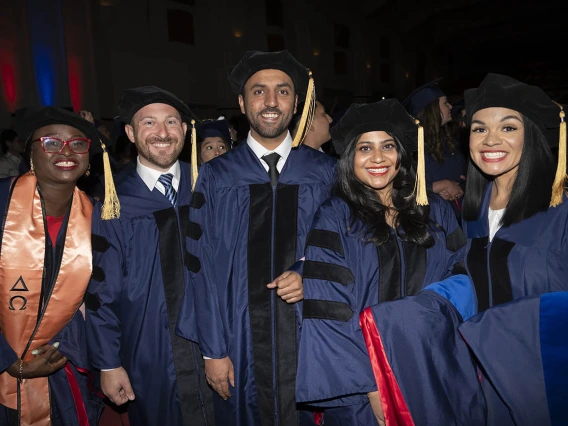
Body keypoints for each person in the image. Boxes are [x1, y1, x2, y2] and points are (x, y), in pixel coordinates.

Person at [176, 50, 337, 426]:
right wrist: (212, 350)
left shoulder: (326, 172)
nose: (270, 102)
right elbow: (200, 266)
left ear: (297, 103)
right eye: (258, 91)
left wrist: (307, 271)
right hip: (238, 338)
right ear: (241, 102)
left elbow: (346, 247)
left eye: (282, 92)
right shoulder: (217, 176)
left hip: (310, 332)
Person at [294, 99, 475, 425]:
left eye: (387, 146)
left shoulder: (434, 210)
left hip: (430, 367)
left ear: (401, 155)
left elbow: (462, 278)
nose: (377, 158)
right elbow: (328, 308)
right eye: (365, 148)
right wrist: (372, 387)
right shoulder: (335, 217)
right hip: (364, 387)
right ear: (351, 158)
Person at [84, 86, 214, 426]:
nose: (162, 133)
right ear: (130, 132)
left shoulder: (211, 186)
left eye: (172, 122)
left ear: (185, 131)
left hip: (216, 346)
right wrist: (109, 363)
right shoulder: (115, 201)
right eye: (149, 123)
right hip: (149, 352)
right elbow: (102, 290)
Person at [460, 73, 568, 425]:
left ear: (531, 137)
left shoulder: (559, 213)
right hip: (481, 384)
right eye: (479, 129)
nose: (490, 140)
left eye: (508, 128)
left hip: (544, 385)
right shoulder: (469, 213)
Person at [0, 106, 118, 425]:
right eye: (51, 142)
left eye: (78, 144)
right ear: (30, 154)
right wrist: (7, 359)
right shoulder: (2, 204)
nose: (66, 151)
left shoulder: (99, 220)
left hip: (66, 367)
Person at [402, 79, 467, 219]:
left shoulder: (448, 139)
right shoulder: (410, 145)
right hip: (430, 216)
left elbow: (460, 174)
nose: (450, 106)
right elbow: (403, 187)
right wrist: (438, 187)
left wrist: (461, 185)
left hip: (457, 212)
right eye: (445, 103)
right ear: (432, 109)